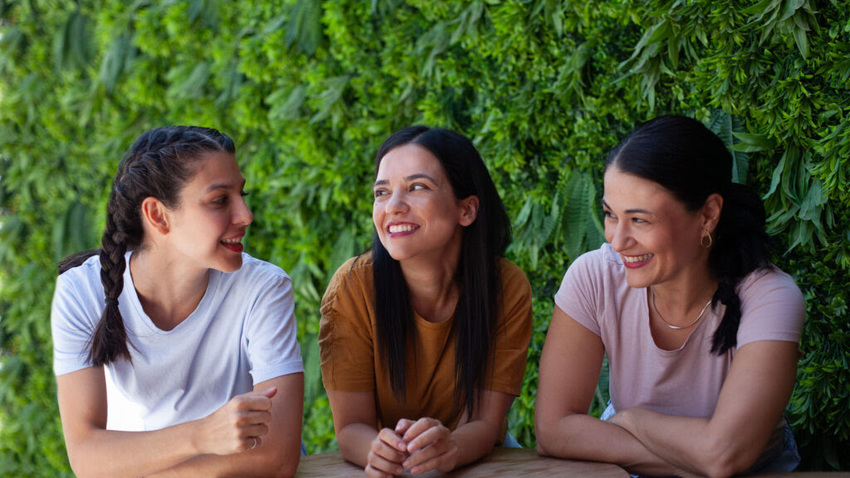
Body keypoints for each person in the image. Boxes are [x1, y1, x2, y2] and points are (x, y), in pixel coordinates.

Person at [535, 115, 805, 478]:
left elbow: (725, 454)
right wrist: (693, 461)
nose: (617, 241)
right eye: (610, 214)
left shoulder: (769, 296)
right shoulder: (595, 276)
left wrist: (631, 420)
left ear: (708, 214)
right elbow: (553, 430)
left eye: (640, 220)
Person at [51, 126, 304, 478]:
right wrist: (202, 435)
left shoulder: (263, 288)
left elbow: (276, 458)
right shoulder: (81, 292)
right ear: (157, 215)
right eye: (220, 200)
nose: (246, 215)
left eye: (241, 194)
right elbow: (86, 457)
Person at [319, 126, 532, 477]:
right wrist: (379, 451)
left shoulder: (505, 286)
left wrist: (451, 447)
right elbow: (350, 429)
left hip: (479, 459)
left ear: (467, 210)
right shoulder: (353, 287)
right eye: (382, 192)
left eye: (417, 187)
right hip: (390, 465)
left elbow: (485, 422)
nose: (394, 207)